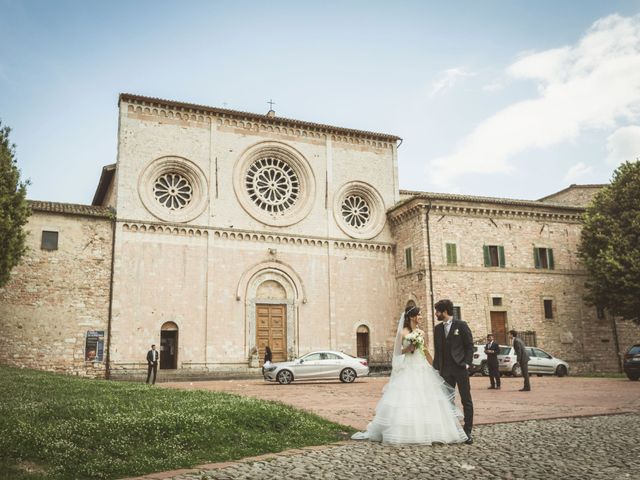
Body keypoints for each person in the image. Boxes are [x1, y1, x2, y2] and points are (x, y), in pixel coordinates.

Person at [351, 306, 467, 445]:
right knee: (407, 398)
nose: (421, 317)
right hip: (409, 367)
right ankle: (405, 432)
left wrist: (435, 366)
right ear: (412, 316)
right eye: (419, 315)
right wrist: (408, 348)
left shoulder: (421, 333)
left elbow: (425, 351)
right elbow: (397, 352)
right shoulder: (404, 332)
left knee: (428, 399)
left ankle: (432, 432)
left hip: (422, 367)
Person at [432, 299, 474, 444]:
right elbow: (438, 351)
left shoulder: (461, 325)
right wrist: (436, 368)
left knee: (466, 400)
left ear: (444, 312)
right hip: (445, 370)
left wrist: (467, 363)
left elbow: (469, 345)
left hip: (460, 368)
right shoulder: (437, 329)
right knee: (447, 401)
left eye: (437, 311)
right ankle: (450, 430)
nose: (435, 314)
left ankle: (468, 431)